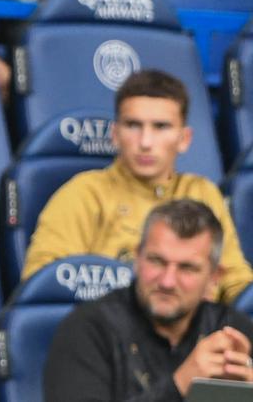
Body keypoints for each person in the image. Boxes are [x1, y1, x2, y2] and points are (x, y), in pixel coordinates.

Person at [22, 69, 253, 302]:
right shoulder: (83, 193)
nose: (145, 142)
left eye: (161, 127)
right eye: (133, 125)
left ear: (184, 139)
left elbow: (235, 281)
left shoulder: (203, 193)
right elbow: (44, 285)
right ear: (115, 134)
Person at [43, 199, 253, 401]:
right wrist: (180, 385)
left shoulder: (233, 330)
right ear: (136, 258)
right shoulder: (87, 328)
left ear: (214, 277)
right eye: (157, 261)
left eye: (187, 268)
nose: (167, 282)